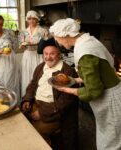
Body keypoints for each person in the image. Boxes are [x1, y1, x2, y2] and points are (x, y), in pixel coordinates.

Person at [49, 18, 121, 150]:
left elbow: (94, 90)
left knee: (111, 144)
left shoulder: (84, 52)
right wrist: (76, 80)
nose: (57, 43)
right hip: (114, 93)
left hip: (110, 101)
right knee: (110, 137)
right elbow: (96, 73)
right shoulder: (89, 40)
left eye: (57, 39)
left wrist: (69, 90)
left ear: (65, 35)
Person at [20, 38, 78, 150]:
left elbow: (66, 101)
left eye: (52, 54)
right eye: (46, 54)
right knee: (19, 123)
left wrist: (41, 113)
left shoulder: (67, 72)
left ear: (59, 54)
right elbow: (32, 85)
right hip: (35, 104)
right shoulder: (40, 67)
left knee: (33, 133)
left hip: (53, 112)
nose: (48, 57)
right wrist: (27, 99)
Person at [19, 10, 50, 97]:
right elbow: (21, 46)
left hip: (38, 55)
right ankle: (27, 97)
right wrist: (22, 45)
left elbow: (47, 45)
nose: (31, 21)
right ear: (26, 20)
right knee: (27, 75)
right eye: (29, 19)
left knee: (39, 75)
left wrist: (38, 44)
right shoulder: (23, 32)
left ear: (37, 19)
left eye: (33, 19)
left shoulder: (43, 31)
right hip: (27, 56)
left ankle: (39, 97)